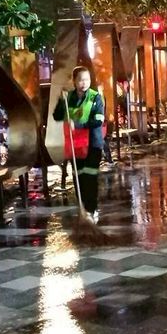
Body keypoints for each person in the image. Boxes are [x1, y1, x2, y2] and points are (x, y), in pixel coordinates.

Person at [53, 66, 106, 222]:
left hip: (92, 144)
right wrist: (61, 101)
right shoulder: (68, 97)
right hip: (75, 145)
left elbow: (98, 120)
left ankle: (91, 210)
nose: (84, 83)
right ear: (74, 81)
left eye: (87, 80)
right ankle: (83, 209)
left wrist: (77, 125)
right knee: (79, 177)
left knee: (90, 176)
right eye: (81, 80)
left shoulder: (95, 98)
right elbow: (57, 116)